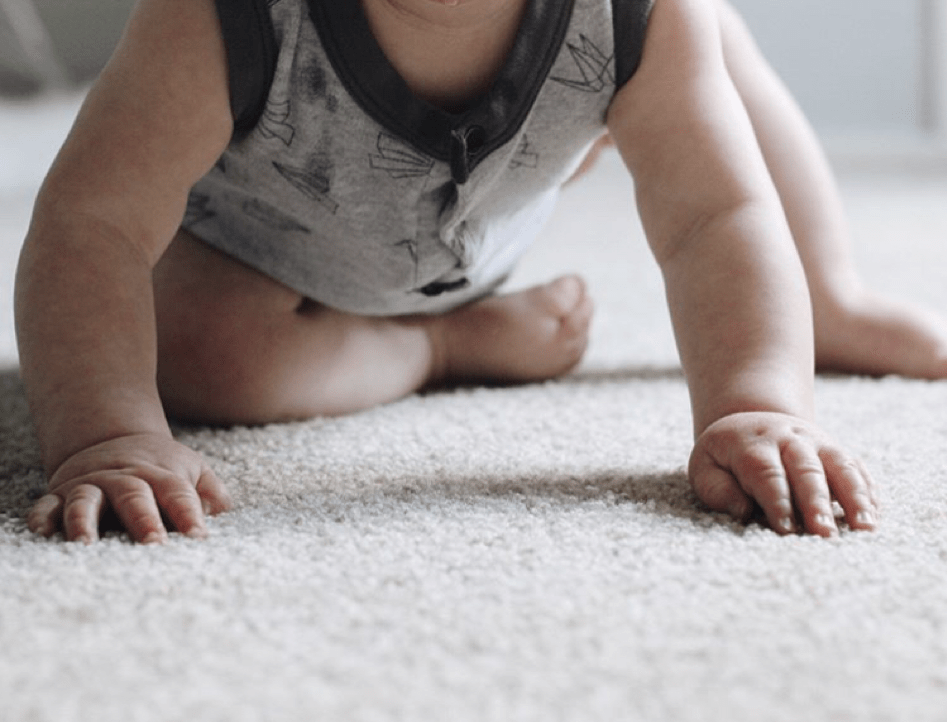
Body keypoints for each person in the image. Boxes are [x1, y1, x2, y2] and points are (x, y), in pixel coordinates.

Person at [16, 0, 945, 545]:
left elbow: (714, 214)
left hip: (490, 211)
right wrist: (107, 435)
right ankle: (437, 348)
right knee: (198, 355)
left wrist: (756, 401)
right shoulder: (221, 19)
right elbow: (94, 225)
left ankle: (823, 295)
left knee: (708, 39)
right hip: (266, 263)